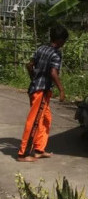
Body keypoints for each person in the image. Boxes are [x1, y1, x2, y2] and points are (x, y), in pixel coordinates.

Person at [16, 25, 69, 162]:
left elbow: (29, 65)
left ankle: (39, 149)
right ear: (59, 40)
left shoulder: (41, 48)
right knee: (34, 121)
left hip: (36, 88)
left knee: (46, 119)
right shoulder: (56, 53)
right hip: (41, 91)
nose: (64, 43)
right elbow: (53, 73)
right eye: (64, 40)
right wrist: (62, 90)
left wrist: (33, 77)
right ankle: (23, 154)